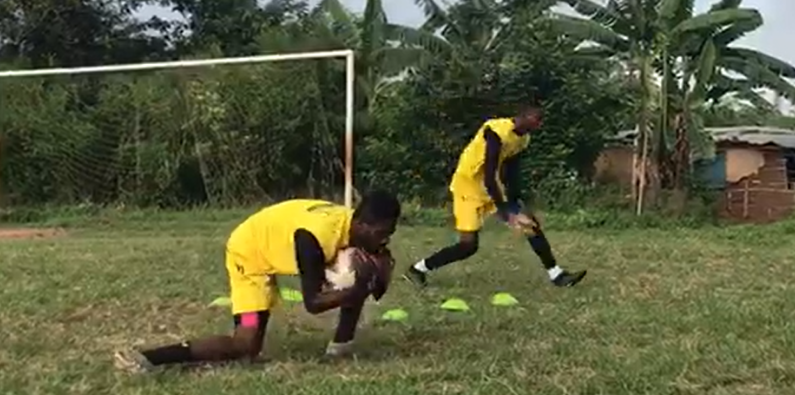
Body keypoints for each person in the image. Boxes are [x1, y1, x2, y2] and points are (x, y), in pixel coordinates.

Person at [114, 191, 402, 372]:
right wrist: (360, 287)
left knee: (357, 277)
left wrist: (373, 280)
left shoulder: (355, 229)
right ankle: (150, 358)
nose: (384, 241)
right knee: (246, 344)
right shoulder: (313, 237)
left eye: (389, 234)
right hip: (250, 255)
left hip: (275, 238)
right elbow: (314, 302)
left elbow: (371, 286)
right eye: (381, 234)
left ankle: (339, 350)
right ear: (361, 224)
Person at [406, 106, 586, 288]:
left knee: (530, 225)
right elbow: (489, 175)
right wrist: (505, 211)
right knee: (468, 246)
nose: (536, 126)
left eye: (539, 123)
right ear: (522, 117)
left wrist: (515, 201)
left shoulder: (523, 139)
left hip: (491, 186)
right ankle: (418, 269)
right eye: (534, 121)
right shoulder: (495, 131)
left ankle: (557, 275)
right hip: (468, 187)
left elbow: (512, 170)